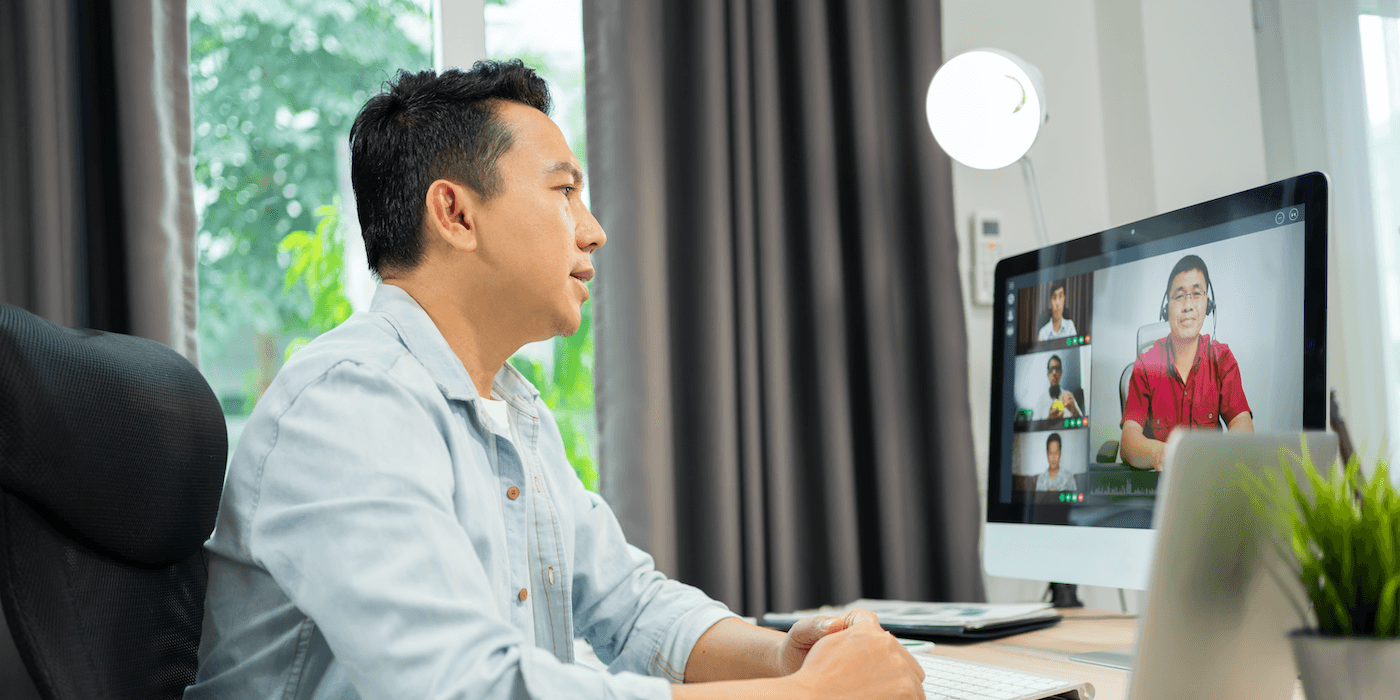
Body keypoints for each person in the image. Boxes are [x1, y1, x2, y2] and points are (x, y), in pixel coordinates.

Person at [183, 63, 926, 700]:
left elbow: (628, 607)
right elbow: (468, 688)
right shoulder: (348, 404)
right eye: (564, 190)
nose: (593, 228)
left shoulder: (509, 407)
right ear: (456, 213)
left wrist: (781, 658)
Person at [1120, 254, 1253, 471]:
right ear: (1167, 309)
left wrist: (1213, 456)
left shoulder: (1222, 358)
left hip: (1211, 482)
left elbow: (1243, 424)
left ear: (1208, 304)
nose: (1188, 305)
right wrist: (1164, 454)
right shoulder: (1146, 364)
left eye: (1197, 294)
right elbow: (1128, 441)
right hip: (1161, 487)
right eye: (1179, 296)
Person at [1035, 354, 1082, 420]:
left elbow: (1083, 423)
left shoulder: (1069, 397)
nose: (1054, 373)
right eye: (1051, 369)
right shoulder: (1041, 400)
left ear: (1061, 372)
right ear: (1048, 374)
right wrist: (1049, 420)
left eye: (1057, 368)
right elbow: (1034, 428)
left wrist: (1074, 410)